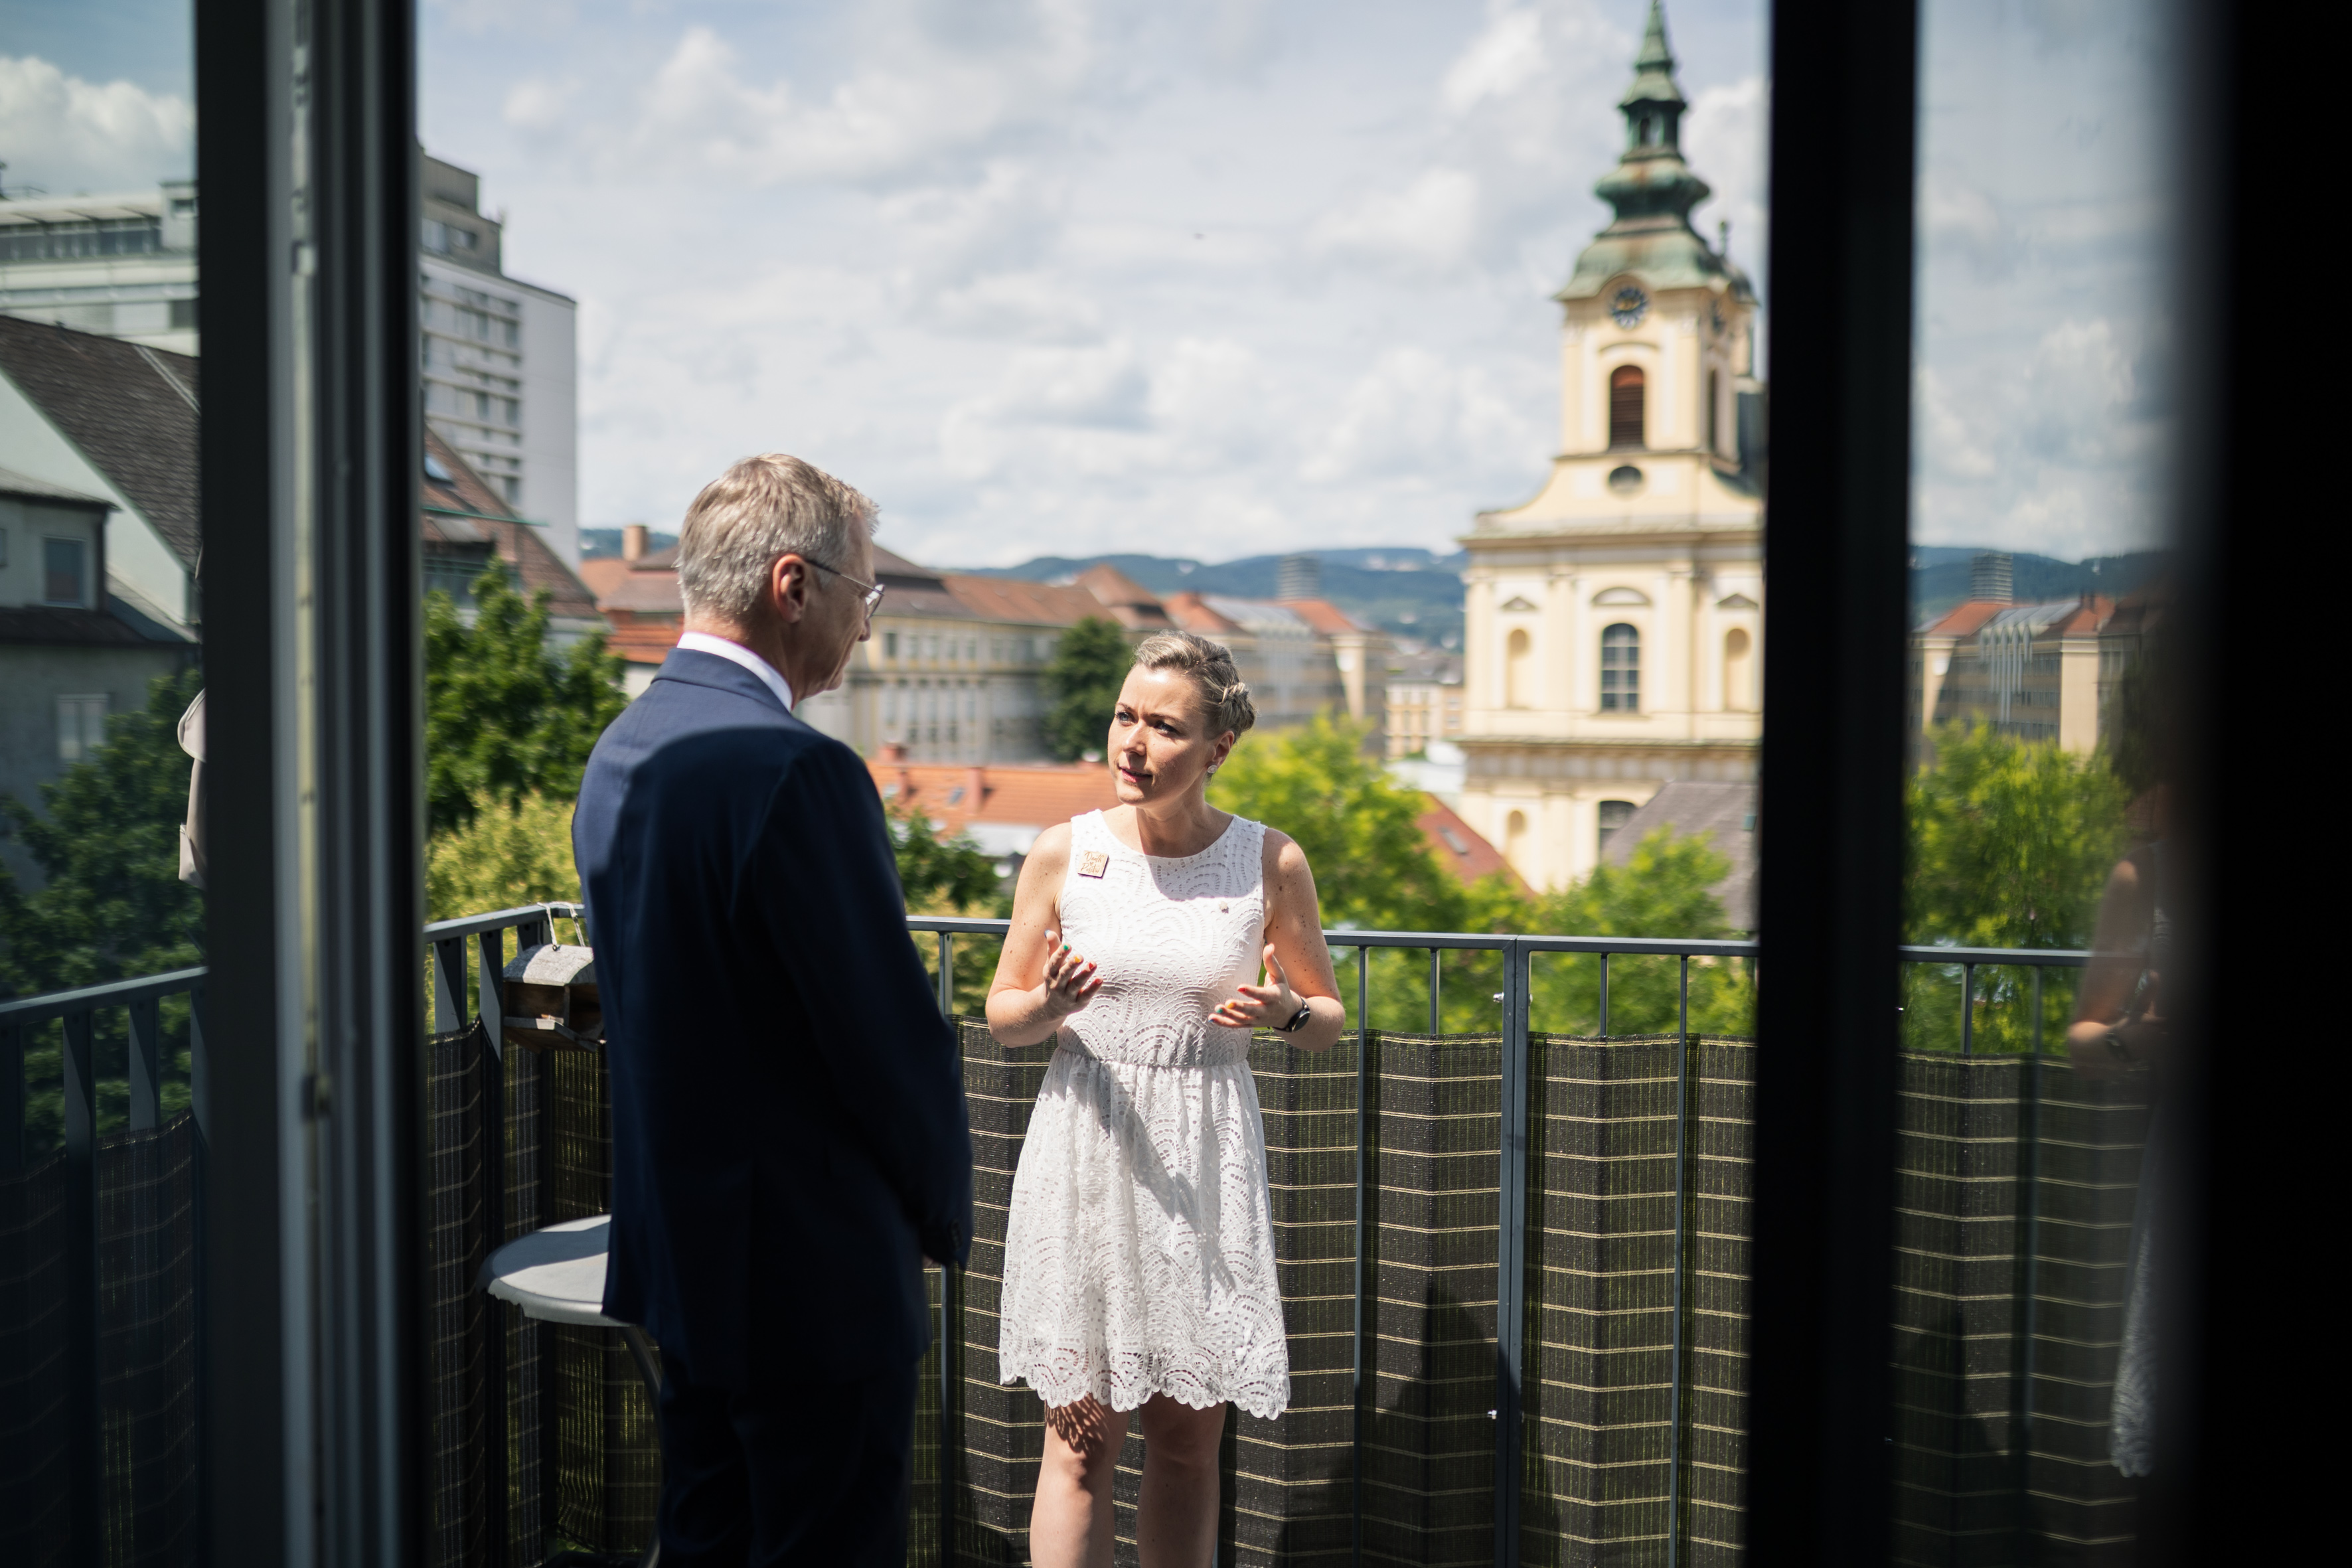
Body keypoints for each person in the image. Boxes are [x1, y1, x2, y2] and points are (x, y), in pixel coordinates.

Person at [573, 453, 973, 1565]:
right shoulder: (796, 771)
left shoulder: (621, 751)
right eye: (864, 593)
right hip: (813, 1279)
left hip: (682, 1259)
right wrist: (943, 1214)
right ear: (793, 584)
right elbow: (889, 1046)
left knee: (705, 1537)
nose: (867, 623)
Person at [986, 631, 1346, 1568]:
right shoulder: (1063, 851)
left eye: (1165, 727)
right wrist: (1049, 1003)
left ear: (1218, 747)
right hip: (1086, 1157)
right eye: (1125, 716)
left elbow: (1327, 1021)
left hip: (1203, 1168)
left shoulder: (1270, 861)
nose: (1133, 743)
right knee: (1079, 1441)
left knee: (1187, 1441)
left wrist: (1285, 1011)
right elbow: (1003, 1014)